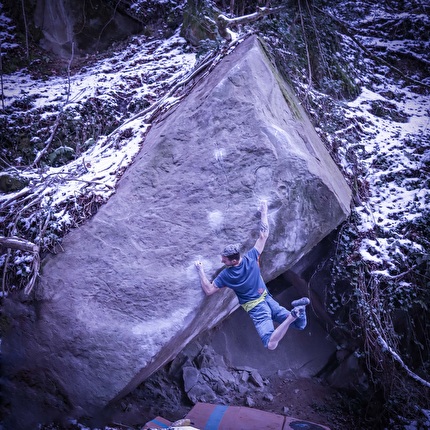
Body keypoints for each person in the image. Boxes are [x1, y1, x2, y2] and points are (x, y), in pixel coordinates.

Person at [194, 200, 310, 350]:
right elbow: (264, 235)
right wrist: (264, 211)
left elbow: (209, 290)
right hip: (268, 299)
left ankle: (290, 317)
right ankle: (298, 308)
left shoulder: (227, 275)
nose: (222, 260)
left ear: (234, 260)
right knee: (301, 325)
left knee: (270, 344)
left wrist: (200, 270)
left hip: (257, 308)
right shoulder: (251, 257)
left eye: (225, 260)